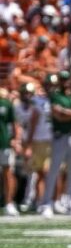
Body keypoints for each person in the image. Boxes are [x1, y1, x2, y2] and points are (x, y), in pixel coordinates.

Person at [42, 70, 71, 217]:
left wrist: (65, 112)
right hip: (60, 136)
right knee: (54, 170)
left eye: (67, 80)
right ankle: (47, 203)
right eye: (62, 79)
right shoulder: (56, 96)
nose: (65, 82)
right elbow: (57, 115)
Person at [15, 82, 53, 212]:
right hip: (23, 140)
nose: (27, 96)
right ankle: (27, 198)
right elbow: (17, 125)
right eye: (25, 93)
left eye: (30, 93)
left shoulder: (36, 106)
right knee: (27, 172)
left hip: (33, 141)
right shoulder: (17, 107)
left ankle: (32, 199)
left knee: (36, 173)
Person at [0, 88, 21, 216]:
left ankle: (9, 202)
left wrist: (16, 140)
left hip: (4, 143)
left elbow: (14, 123)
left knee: (8, 174)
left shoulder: (6, 104)